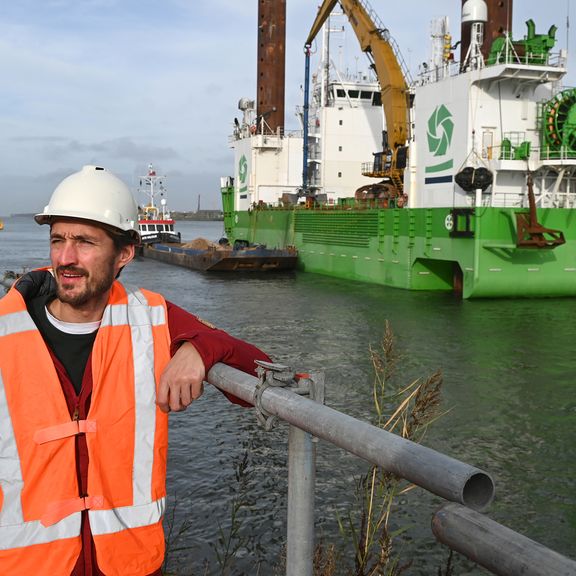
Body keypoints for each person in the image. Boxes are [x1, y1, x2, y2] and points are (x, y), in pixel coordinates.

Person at [0, 165, 270, 576]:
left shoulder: (152, 318)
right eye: (58, 240)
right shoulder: (5, 327)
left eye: (85, 242)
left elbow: (260, 367)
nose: (65, 258)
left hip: (129, 564)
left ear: (124, 253)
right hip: (26, 566)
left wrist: (200, 348)